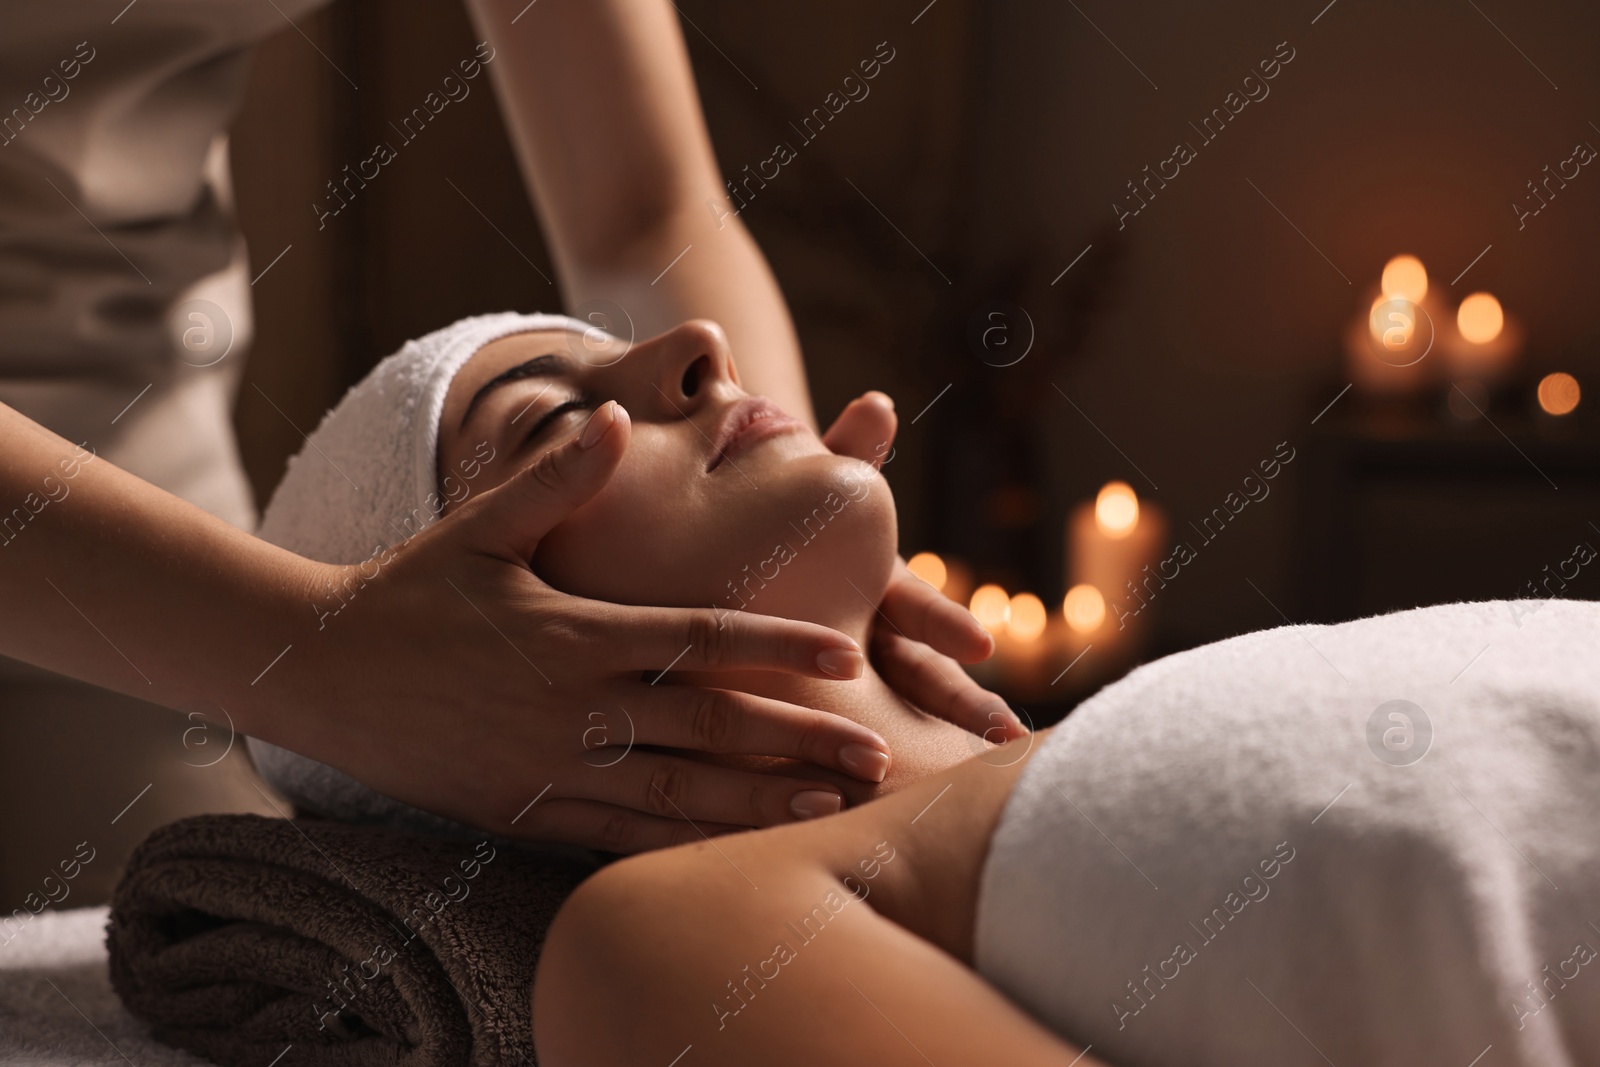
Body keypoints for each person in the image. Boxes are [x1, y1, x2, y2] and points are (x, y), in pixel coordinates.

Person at [0, 0, 999, 896]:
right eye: (553, 427)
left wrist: (782, 560)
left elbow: (642, 218)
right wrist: (319, 658)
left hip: (131, 448)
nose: (706, 353)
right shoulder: (644, 961)